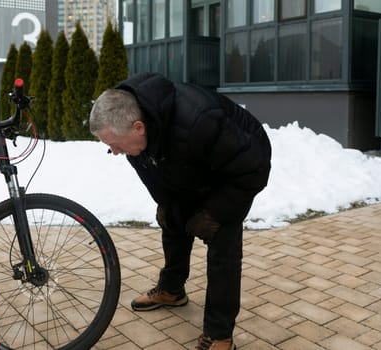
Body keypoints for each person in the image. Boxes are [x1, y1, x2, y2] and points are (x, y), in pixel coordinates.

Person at [89, 72, 271, 350]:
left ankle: (220, 335)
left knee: (223, 246)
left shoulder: (201, 120)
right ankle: (172, 290)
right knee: (172, 220)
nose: (114, 152)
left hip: (236, 169)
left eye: (114, 144)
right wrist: (168, 205)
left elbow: (254, 170)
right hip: (192, 163)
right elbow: (153, 173)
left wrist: (216, 212)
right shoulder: (134, 134)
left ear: (139, 127)